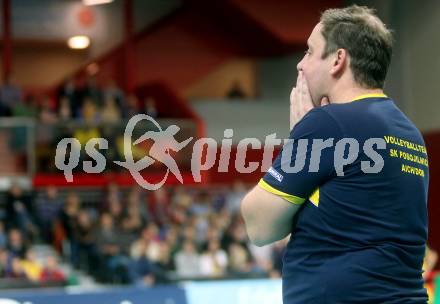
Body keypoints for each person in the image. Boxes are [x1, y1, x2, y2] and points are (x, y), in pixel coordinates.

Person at [241, 5, 429, 303]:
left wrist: (299, 137)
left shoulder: (328, 123)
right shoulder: (409, 133)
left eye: (309, 51)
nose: (300, 66)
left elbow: (260, 225)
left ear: (338, 60)